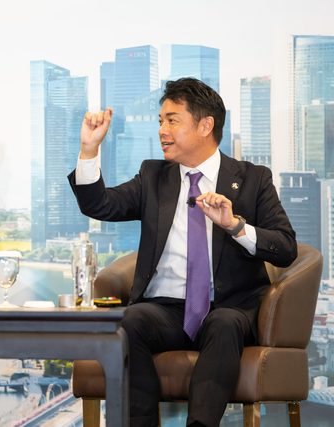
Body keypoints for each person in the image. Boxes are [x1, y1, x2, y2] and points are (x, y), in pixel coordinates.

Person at [68, 77, 297, 427]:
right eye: (161, 120)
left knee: (223, 323)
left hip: (228, 308)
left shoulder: (253, 179)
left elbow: (285, 248)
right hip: (166, 310)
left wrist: (235, 226)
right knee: (130, 321)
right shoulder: (153, 176)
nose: (162, 130)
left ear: (205, 125)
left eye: (172, 120)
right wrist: (88, 151)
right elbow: (100, 205)